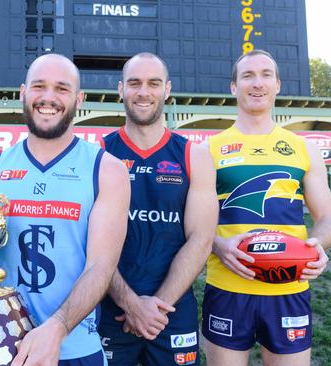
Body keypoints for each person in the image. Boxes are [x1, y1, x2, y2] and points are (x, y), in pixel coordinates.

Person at [0, 53, 130, 365]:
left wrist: (56, 329)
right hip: (0, 349)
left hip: (75, 347)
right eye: (39, 86)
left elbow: (101, 267)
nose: (48, 98)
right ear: (22, 94)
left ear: (79, 99)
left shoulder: (105, 170)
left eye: (62, 88)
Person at [201, 49, 331, 366]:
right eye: (247, 75)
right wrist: (218, 244)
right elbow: (192, 222)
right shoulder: (208, 149)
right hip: (228, 287)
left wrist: (317, 245)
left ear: (277, 84)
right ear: (233, 87)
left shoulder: (304, 149)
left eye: (266, 75)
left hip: (288, 288)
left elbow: (329, 220)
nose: (257, 83)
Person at [97, 53, 218, 366]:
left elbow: (201, 239)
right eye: (134, 83)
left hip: (172, 312)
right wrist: (129, 302)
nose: (143, 92)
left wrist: (156, 307)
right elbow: (89, 241)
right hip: (108, 305)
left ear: (167, 90)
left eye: (153, 83)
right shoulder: (99, 153)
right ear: (121, 89)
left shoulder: (194, 155)